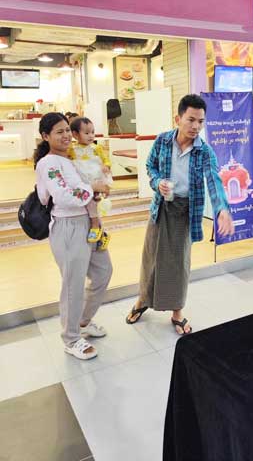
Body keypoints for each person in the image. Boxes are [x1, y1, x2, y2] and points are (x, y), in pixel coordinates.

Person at [126, 94, 234, 335]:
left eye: (201, 121)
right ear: (178, 119)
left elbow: (214, 180)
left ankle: (177, 312)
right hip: (160, 208)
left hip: (185, 212)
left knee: (178, 263)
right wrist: (157, 182)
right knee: (150, 258)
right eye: (191, 120)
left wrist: (222, 209)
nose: (196, 126)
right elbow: (150, 167)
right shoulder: (163, 141)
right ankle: (142, 300)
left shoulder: (204, 151)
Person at [35, 112, 113, 360]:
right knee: (73, 285)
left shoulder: (69, 159)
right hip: (68, 227)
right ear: (46, 136)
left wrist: (96, 207)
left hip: (89, 223)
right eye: (59, 132)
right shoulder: (48, 163)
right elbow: (63, 196)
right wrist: (93, 188)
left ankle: (82, 322)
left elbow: (82, 191)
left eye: (68, 130)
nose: (67, 135)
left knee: (103, 272)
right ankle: (70, 338)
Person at [69, 117, 112, 248]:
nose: (91, 136)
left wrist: (106, 166)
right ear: (75, 134)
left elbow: (106, 159)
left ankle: (95, 226)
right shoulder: (71, 149)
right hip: (82, 180)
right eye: (87, 133)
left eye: (93, 132)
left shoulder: (96, 148)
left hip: (95, 178)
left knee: (93, 202)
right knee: (88, 205)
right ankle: (102, 234)